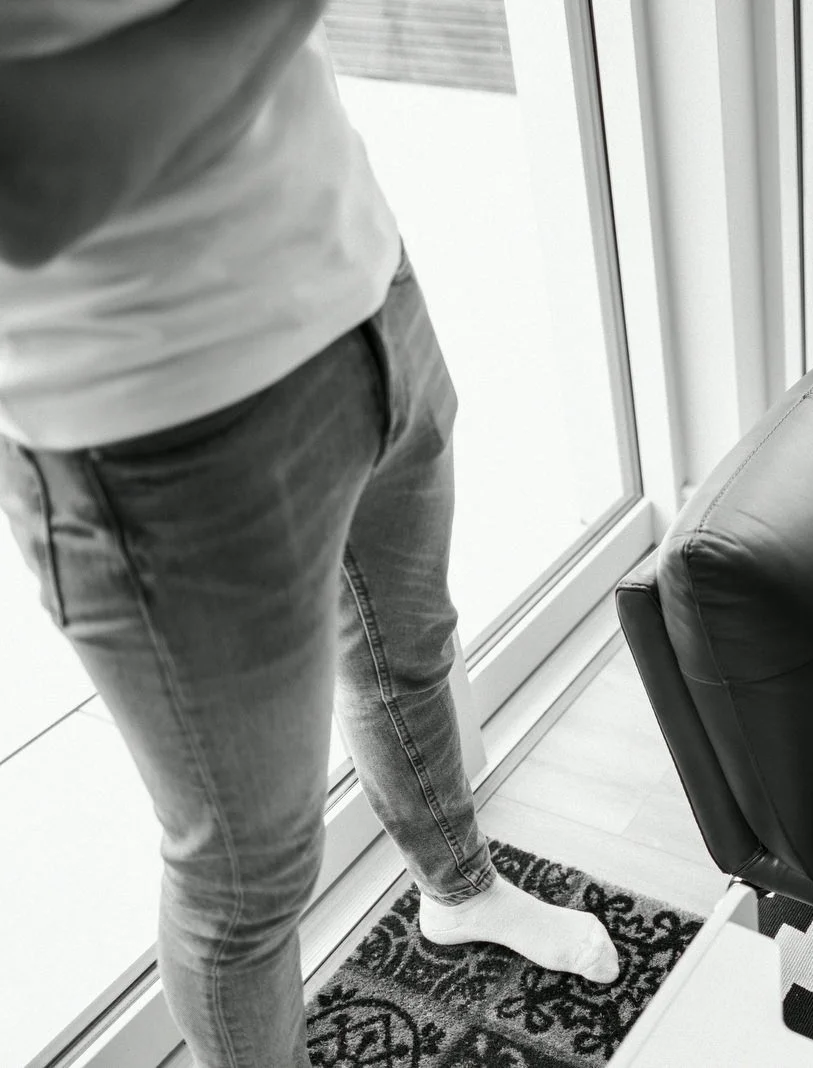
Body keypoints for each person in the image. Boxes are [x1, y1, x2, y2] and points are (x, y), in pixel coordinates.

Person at [0, 5, 617, 1067]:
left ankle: (459, 892)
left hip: (362, 290)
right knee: (246, 877)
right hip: (162, 420)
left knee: (406, 650)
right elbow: (33, 185)